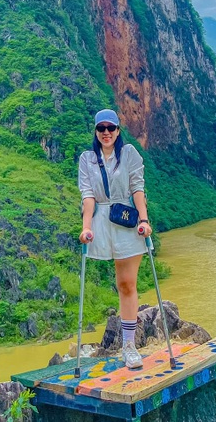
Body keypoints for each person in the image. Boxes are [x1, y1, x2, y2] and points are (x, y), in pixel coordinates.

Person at [78, 108, 153, 369]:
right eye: (101, 128)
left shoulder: (129, 153)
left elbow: (137, 188)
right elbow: (88, 196)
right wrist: (86, 227)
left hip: (127, 221)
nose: (106, 132)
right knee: (118, 282)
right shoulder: (87, 159)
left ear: (118, 131)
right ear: (96, 132)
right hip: (102, 223)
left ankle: (129, 346)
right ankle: (126, 344)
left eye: (111, 128)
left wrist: (144, 220)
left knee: (127, 283)